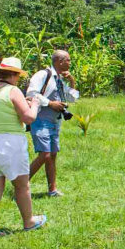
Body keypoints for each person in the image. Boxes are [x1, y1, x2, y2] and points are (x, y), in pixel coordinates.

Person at [0, 57, 46, 236]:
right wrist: (35, 105)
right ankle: (29, 222)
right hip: (8, 143)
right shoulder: (13, 91)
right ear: (15, 75)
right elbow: (28, 118)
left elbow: (5, 108)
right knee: (22, 186)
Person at [26, 50, 79, 197]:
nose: (70, 63)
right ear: (59, 61)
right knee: (45, 154)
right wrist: (50, 103)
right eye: (68, 60)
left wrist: (72, 81)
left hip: (55, 121)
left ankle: (52, 190)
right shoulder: (43, 75)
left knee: (52, 155)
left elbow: (73, 98)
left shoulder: (60, 79)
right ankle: (21, 185)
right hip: (41, 119)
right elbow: (31, 94)